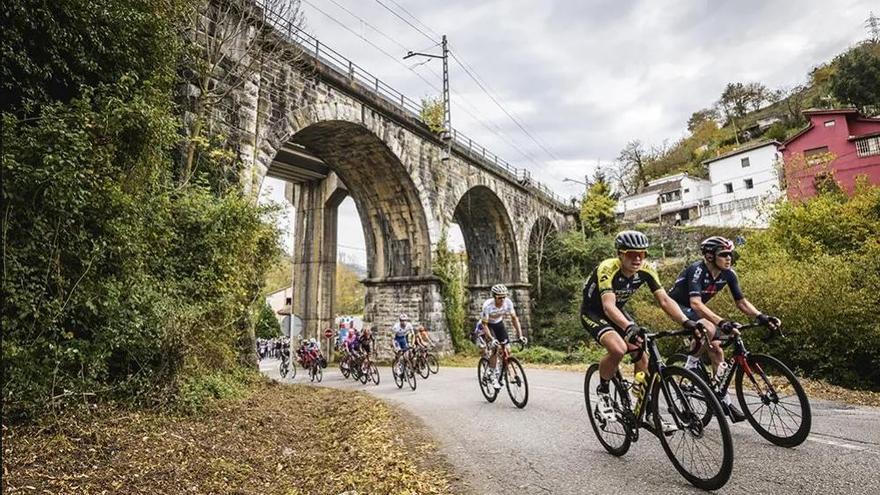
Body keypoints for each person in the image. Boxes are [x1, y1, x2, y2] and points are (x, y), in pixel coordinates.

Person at [580, 230, 706, 424]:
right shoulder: (607, 268)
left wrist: (686, 321)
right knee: (618, 349)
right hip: (595, 312)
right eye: (631, 254)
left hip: (618, 312)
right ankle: (604, 392)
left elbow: (664, 300)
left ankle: (644, 405)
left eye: (642, 253)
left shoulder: (646, 269)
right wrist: (629, 326)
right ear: (620, 254)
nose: (638, 258)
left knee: (642, 353)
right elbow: (608, 306)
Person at [668, 236, 781, 421]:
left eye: (731, 254)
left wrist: (761, 316)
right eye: (724, 254)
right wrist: (721, 322)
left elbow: (742, 302)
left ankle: (724, 399)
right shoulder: (697, 270)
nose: (729, 258)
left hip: (695, 309)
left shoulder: (729, 273)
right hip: (678, 306)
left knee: (717, 350)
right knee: (709, 328)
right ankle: (691, 365)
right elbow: (696, 304)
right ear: (710, 256)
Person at [480, 284, 526, 390]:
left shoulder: (508, 303)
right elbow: (484, 325)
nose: (502, 299)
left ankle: (503, 370)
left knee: (507, 349)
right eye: (500, 297)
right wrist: (492, 339)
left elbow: (515, 319)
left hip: (498, 324)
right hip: (487, 326)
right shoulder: (488, 306)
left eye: (504, 297)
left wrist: (520, 336)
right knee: (495, 348)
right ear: (494, 296)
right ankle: (491, 374)